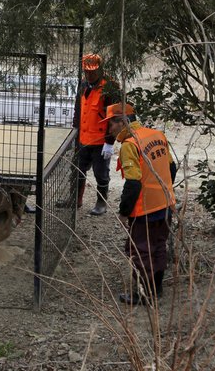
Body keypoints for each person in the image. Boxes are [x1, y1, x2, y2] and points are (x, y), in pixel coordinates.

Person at [103, 102, 177, 306]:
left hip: (145, 209)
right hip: (165, 205)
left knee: (140, 250)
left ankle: (145, 294)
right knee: (159, 245)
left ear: (122, 122)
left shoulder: (130, 145)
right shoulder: (157, 135)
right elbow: (172, 168)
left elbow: (133, 183)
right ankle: (157, 289)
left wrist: (124, 212)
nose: (110, 130)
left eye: (111, 124)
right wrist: (164, 192)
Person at [62, 53, 120, 215]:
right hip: (82, 139)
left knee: (101, 174)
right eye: (86, 71)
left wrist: (110, 142)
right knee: (77, 171)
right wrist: (74, 133)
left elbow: (114, 118)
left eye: (92, 71)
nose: (89, 74)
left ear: (100, 69)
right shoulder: (83, 85)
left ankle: (101, 202)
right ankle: (75, 200)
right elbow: (78, 111)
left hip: (100, 141)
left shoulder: (110, 87)